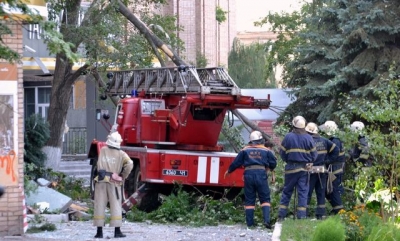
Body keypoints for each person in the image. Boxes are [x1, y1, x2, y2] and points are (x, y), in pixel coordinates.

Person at [224, 130, 277, 229]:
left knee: (249, 200)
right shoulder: (266, 151)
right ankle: (266, 221)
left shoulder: (245, 150)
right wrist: (270, 168)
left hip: (248, 175)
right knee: (265, 199)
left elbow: (236, 162)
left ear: (251, 141)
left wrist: (229, 170)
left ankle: (250, 224)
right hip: (261, 174)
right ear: (261, 140)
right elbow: (273, 163)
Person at [93, 132, 134, 238]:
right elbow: (130, 164)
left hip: (101, 180)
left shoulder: (103, 150)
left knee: (99, 205)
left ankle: (99, 232)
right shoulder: (121, 154)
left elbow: (98, 164)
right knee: (115, 205)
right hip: (114, 182)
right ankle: (117, 231)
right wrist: (122, 175)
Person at [278, 116, 318, 221]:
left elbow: (282, 153)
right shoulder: (309, 138)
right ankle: (301, 216)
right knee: (303, 193)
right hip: (304, 169)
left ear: (294, 125)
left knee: (287, 192)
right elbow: (314, 155)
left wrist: (288, 161)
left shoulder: (288, 137)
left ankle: (281, 216)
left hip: (291, 168)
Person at [305, 122, 338, 219]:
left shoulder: (307, 141)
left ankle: (304, 214)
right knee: (321, 193)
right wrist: (328, 161)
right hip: (322, 170)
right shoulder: (325, 141)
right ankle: (321, 214)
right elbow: (336, 150)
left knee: (308, 193)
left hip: (310, 171)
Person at [321, 120, 346, 214]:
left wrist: (325, 161)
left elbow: (333, 156)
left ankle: (340, 211)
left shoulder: (335, 141)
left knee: (333, 190)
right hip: (334, 169)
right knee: (328, 191)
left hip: (335, 170)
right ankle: (336, 208)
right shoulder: (335, 140)